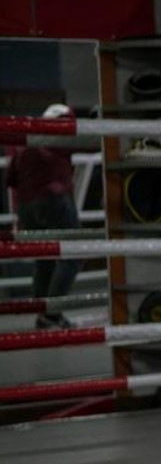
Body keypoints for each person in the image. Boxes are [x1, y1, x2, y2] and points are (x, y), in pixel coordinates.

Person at [5, 104, 83, 329]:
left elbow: (10, 179)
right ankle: (51, 314)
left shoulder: (26, 144)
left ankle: (42, 313)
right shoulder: (58, 136)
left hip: (26, 206)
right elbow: (91, 144)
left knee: (45, 258)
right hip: (54, 200)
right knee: (74, 254)